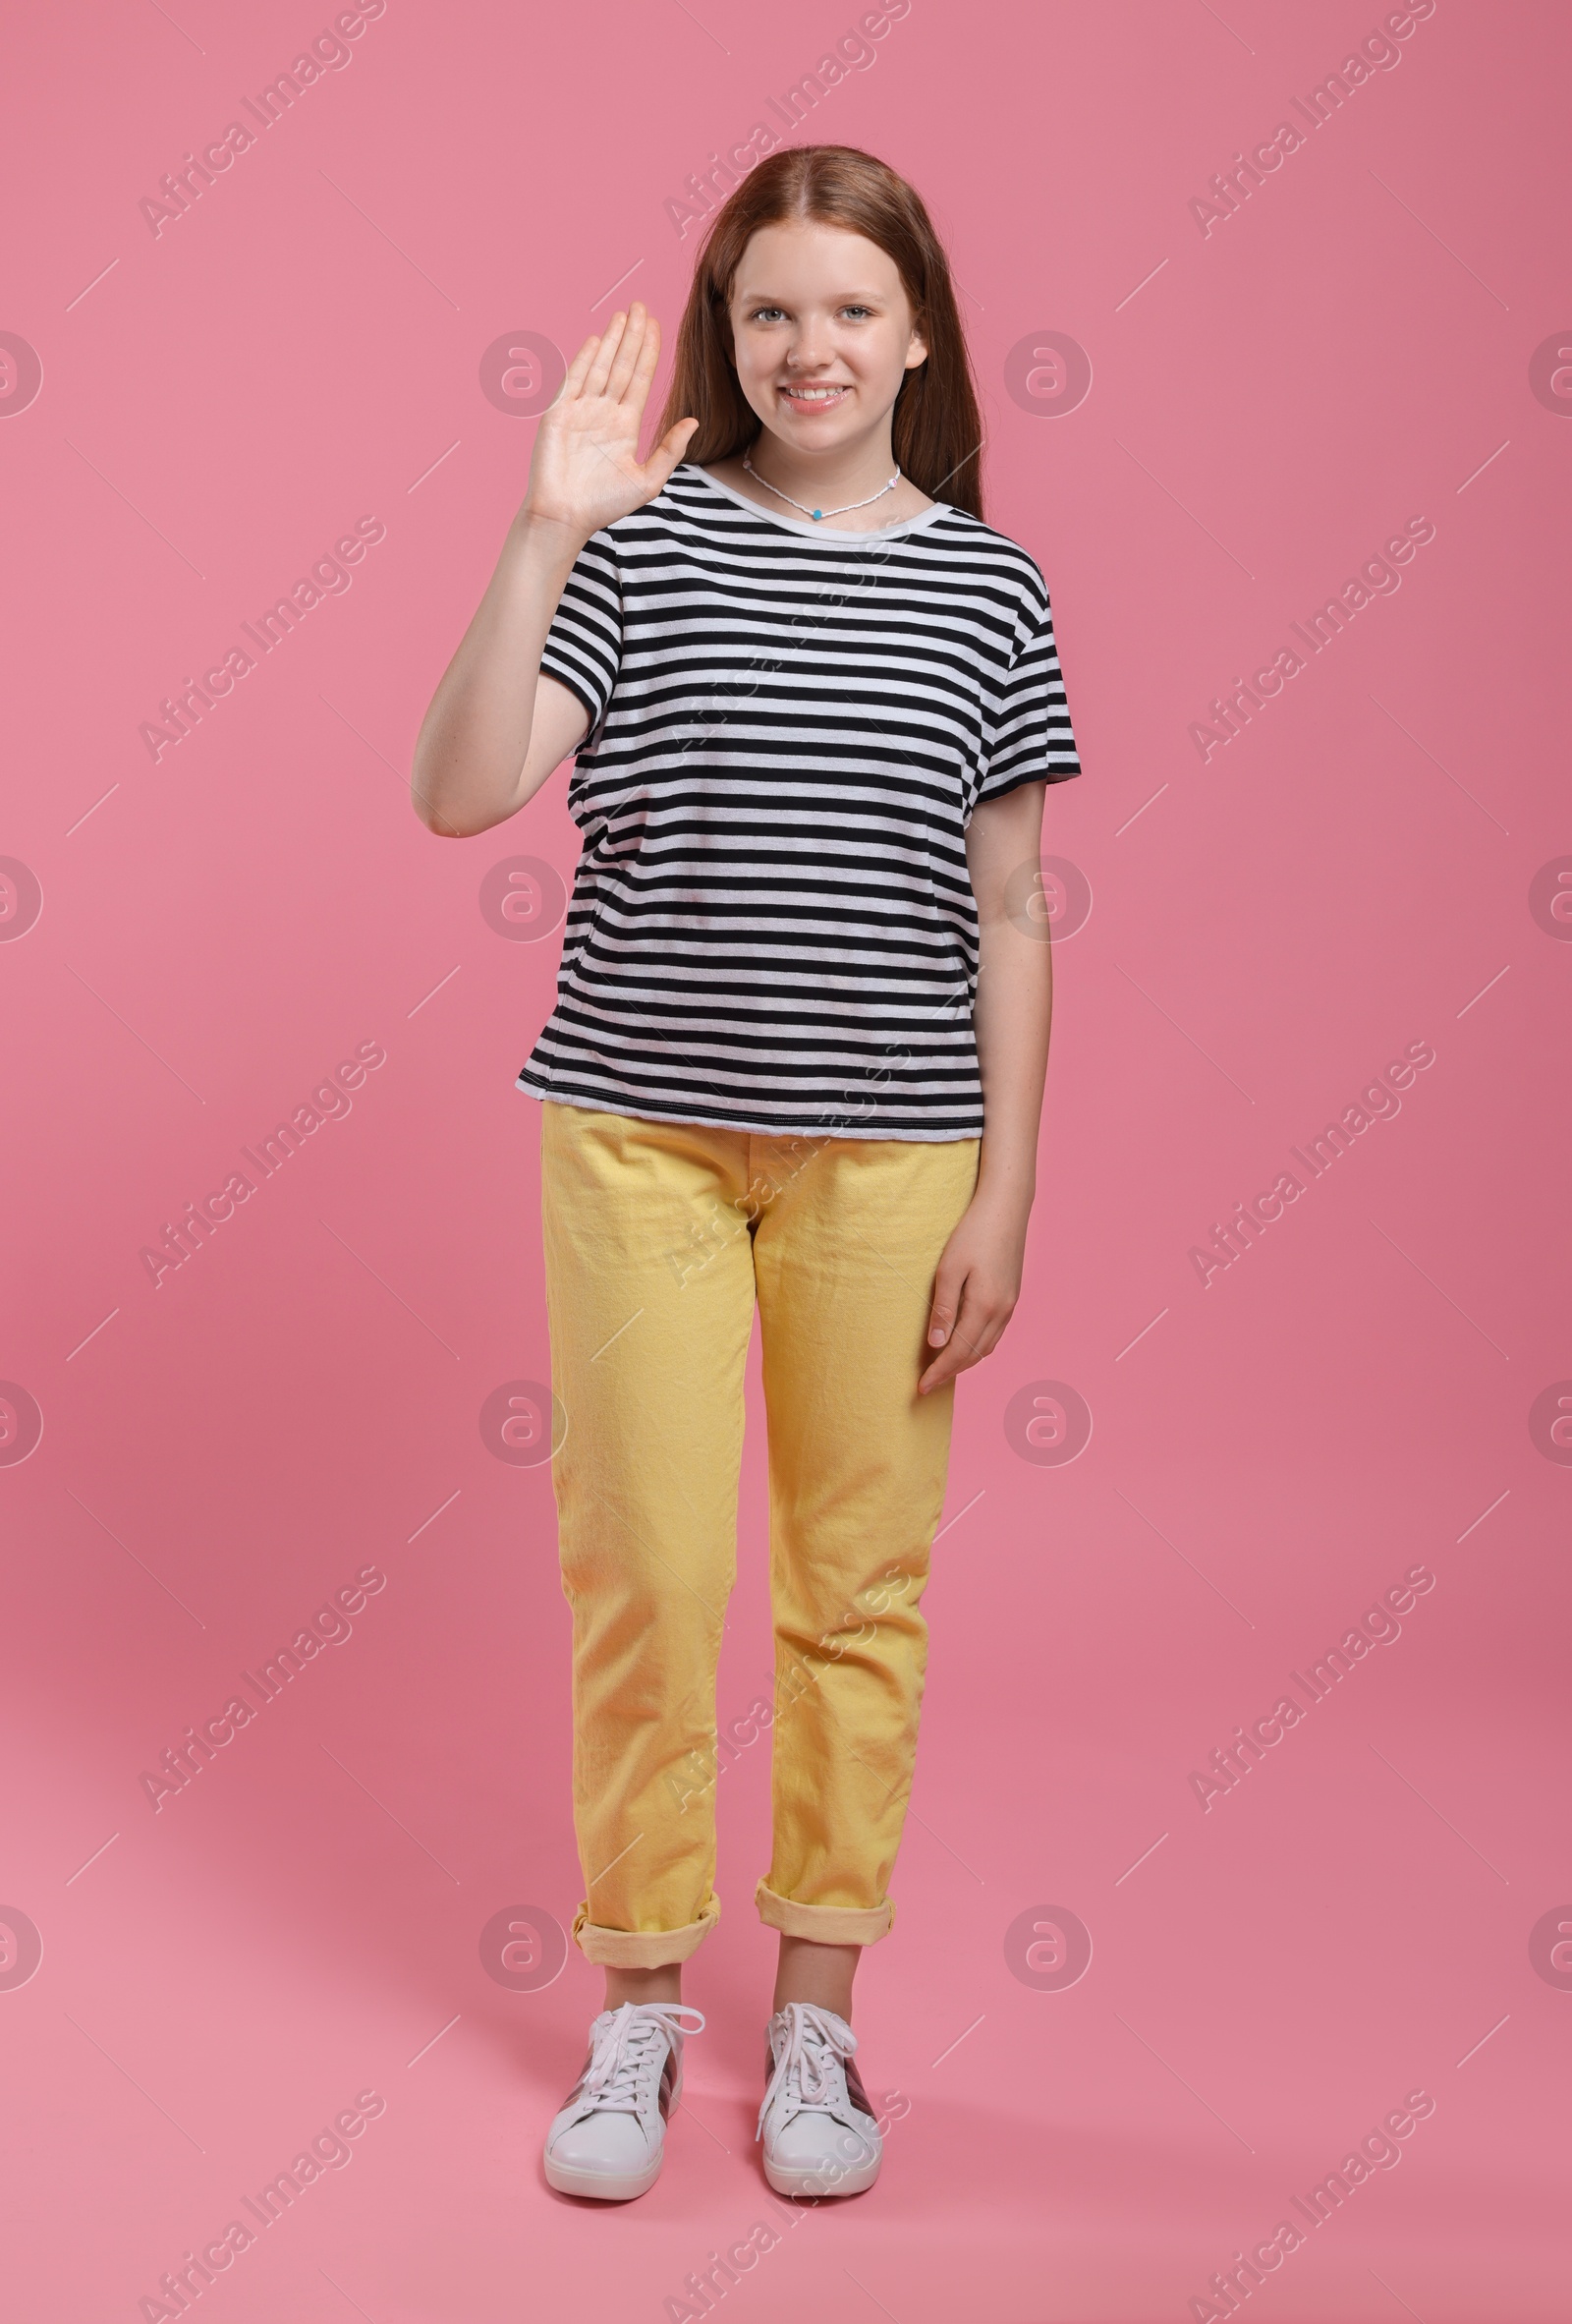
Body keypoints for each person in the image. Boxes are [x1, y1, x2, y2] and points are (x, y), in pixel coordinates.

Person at [411, 143, 1080, 2204]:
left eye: (849, 309)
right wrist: (537, 530)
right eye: (769, 308)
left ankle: (818, 2019)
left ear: (919, 335)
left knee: (855, 1587)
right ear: (727, 331)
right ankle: (635, 2009)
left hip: (893, 1162)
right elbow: (456, 796)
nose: (807, 346)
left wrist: (1005, 1195)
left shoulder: (988, 584)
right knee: (647, 1570)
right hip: (637, 1140)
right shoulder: (634, 546)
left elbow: (1012, 908)